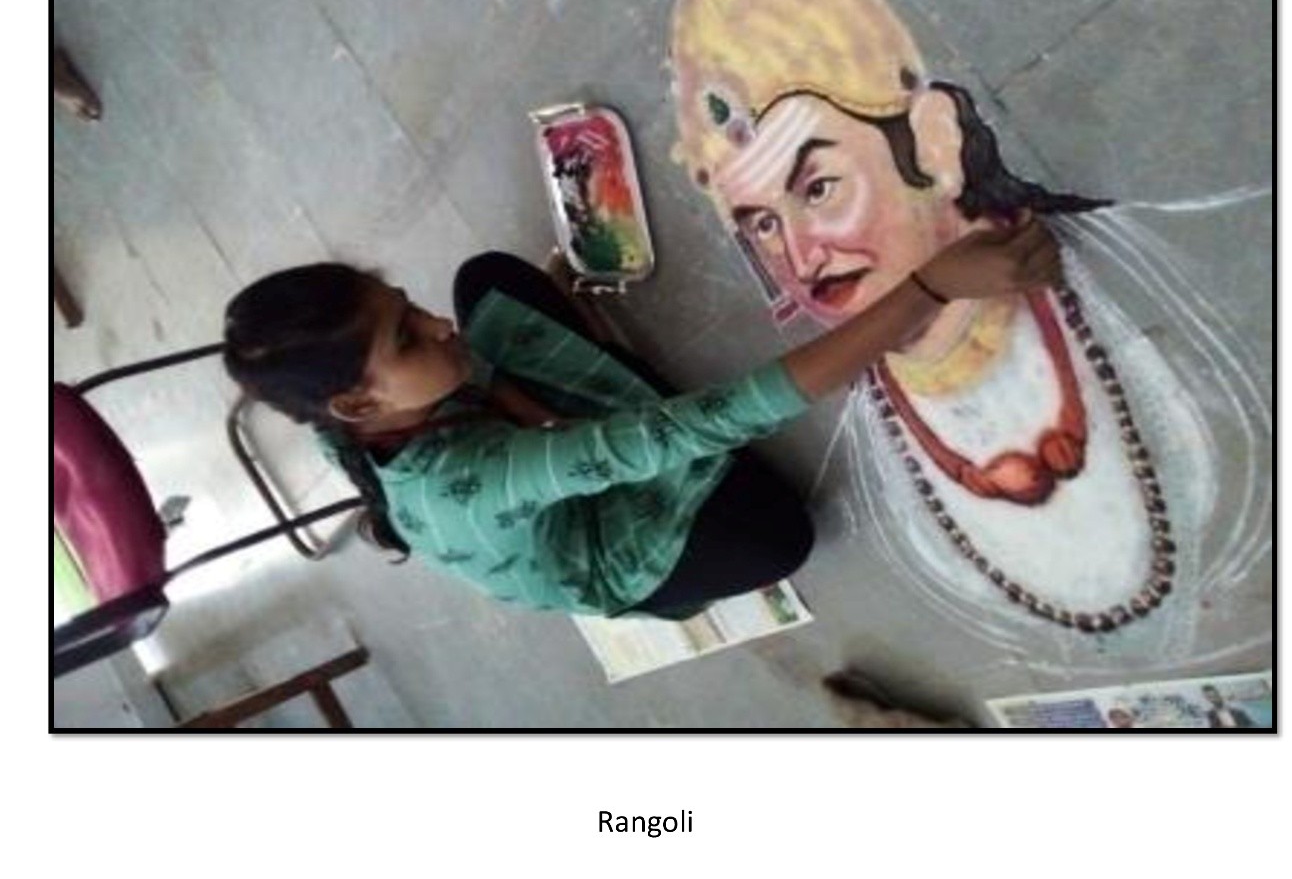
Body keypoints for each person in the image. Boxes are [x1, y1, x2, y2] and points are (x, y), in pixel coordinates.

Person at [663, 0, 1176, 634]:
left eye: (819, 188)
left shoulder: (1144, 267)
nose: (803, 255)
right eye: (762, 224)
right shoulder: (866, 445)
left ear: (934, 143)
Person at [222, 216, 1058, 619]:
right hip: (605, 552)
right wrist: (930, 288)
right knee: (776, 535)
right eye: (407, 335)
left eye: (407, 305)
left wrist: (518, 398)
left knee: (487, 278)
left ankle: (603, 394)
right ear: (359, 404)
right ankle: (663, 538)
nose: (436, 323)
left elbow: (465, 360)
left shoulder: (339, 415)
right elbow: (711, 421)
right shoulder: (475, 479)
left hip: (522, 453)